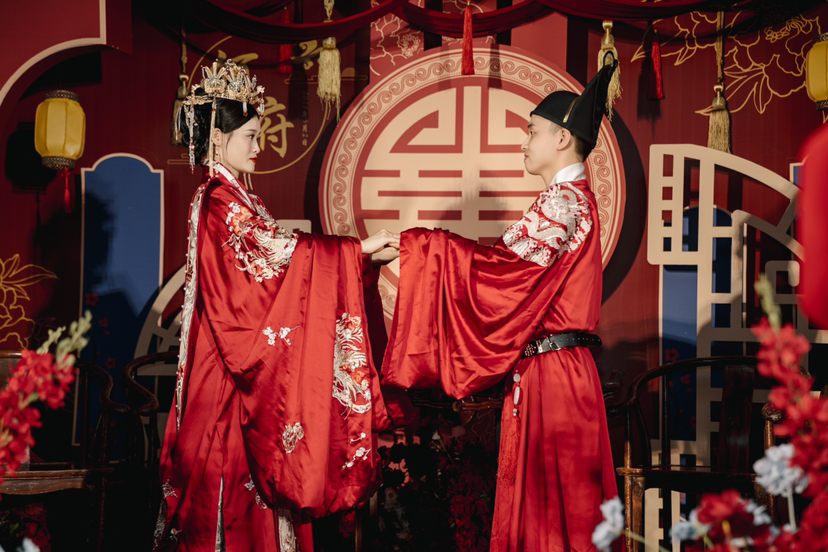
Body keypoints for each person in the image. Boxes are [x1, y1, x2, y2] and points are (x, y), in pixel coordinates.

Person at [154, 60, 399, 552]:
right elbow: (277, 258)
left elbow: (283, 264)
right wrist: (356, 250)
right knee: (235, 492)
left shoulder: (240, 198)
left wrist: (359, 259)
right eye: (249, 136)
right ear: (218, 138)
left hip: (243, 364)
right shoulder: (219, 200)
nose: (258, 147)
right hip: (230, 372)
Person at [382, 59, 621, 551]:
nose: (524, 142)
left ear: (562, 137)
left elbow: (501, 275)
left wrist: (420, 247)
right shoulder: (571, 198)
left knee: (555, 514)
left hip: (555, 375)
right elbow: (507, 270)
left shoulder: (563, 201)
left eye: (532, 131)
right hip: (556, 369)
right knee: (558, 512)